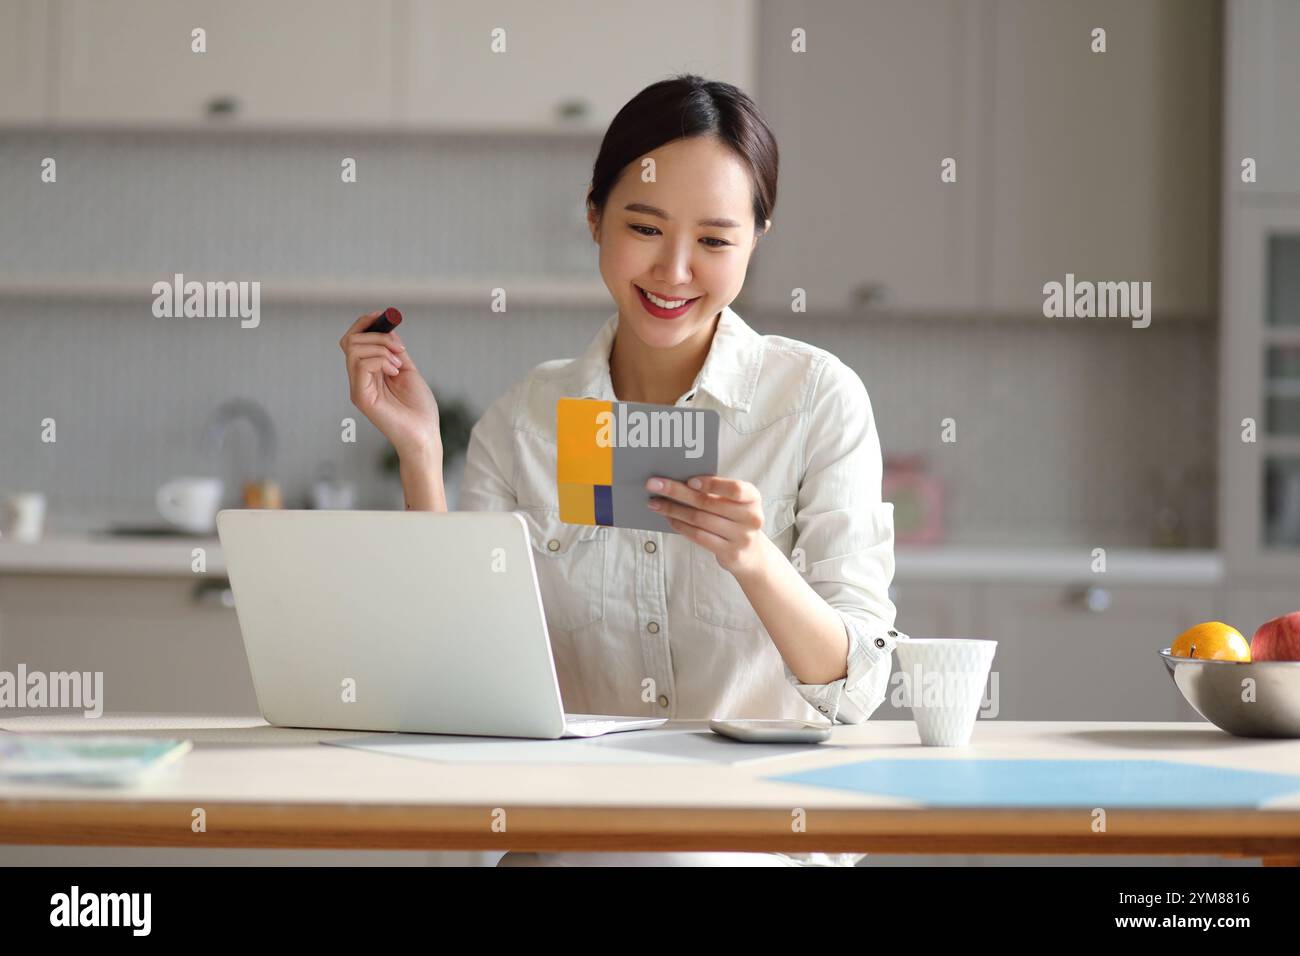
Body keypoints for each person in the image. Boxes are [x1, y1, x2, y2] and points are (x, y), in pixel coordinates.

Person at [340, 74, 905, 867]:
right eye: (644, 227)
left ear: (755, 240)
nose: (674, 270)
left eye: (714, 241)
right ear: (595, 217)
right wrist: (422, 453)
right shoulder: (526, 421)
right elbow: (458, 682)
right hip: (574, 837)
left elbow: (855, 691)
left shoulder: (815, 402)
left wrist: (756, 560)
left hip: (757, 839)